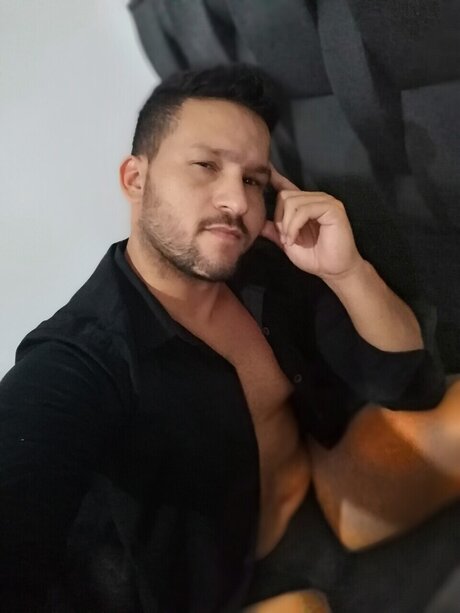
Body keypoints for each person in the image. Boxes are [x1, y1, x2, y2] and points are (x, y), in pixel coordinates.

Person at [0, 64, 447, 612]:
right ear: (135, 179)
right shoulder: (83, 357)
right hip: (222, 589)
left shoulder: (265, 267)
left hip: (328, 483)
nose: (236, 200)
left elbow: (407, 382)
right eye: (206, 166)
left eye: (253, 179)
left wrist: (346, 272)